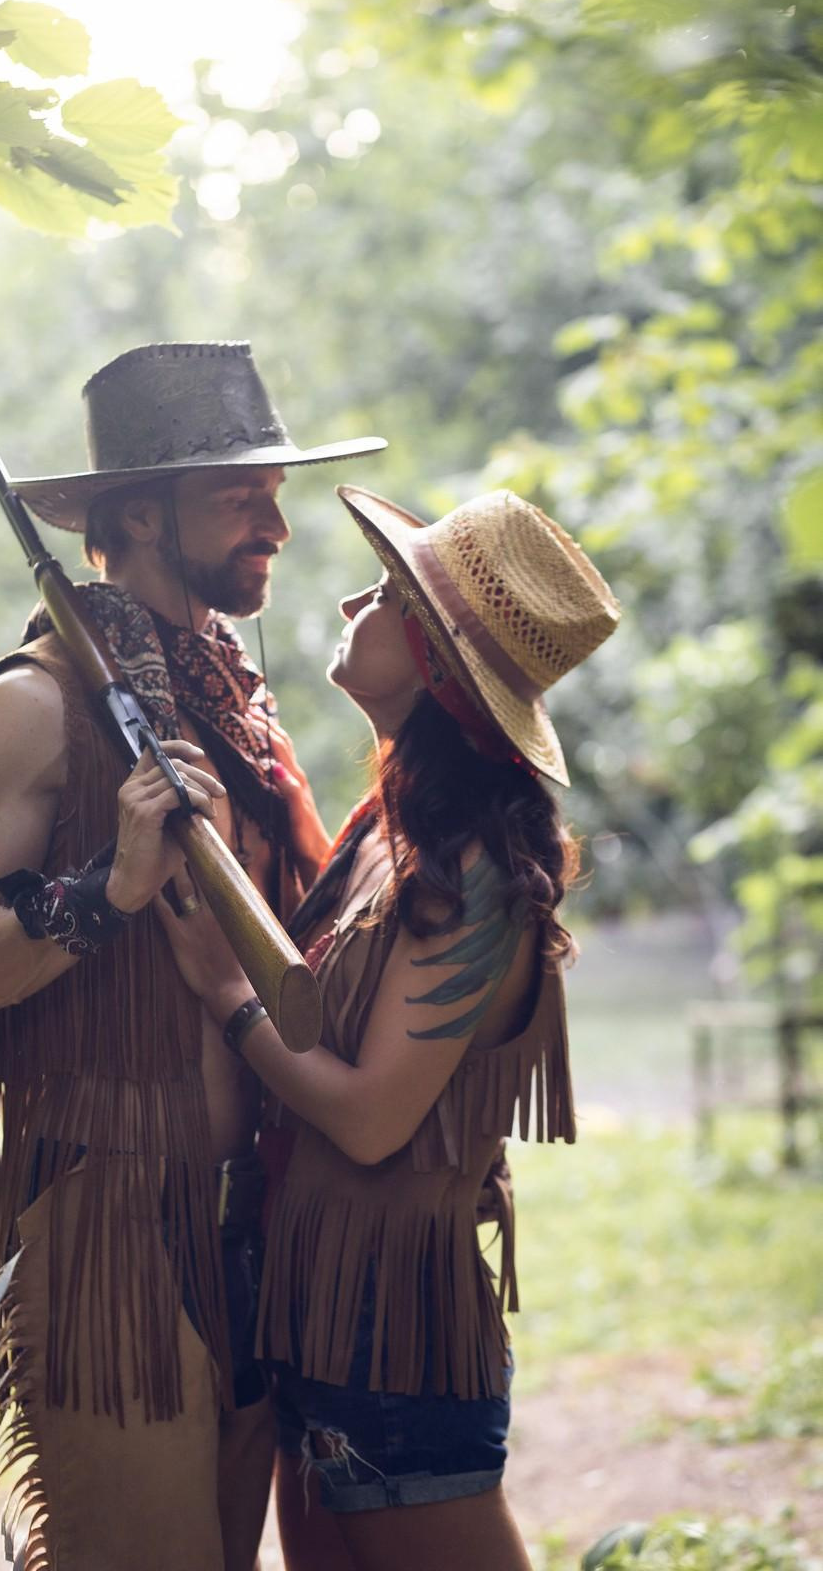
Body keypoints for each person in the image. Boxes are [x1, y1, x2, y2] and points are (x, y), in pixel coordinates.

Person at [0, 341, 385, 1571]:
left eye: (270, 489)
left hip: (253, 1217)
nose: (275, 519)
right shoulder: (32, 703)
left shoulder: (232, 706)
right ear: (134, 514)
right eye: (238, 493)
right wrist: (106, 892)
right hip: (108, 1221)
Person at [147, 483, 620, 1571]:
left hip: (391, 1329)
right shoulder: (383, 829)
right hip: (314, 1306)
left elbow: (367, 1120)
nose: (358, 591)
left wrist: (228, 995)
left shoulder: (477, 875)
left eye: (391, 587)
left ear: (433, 659)